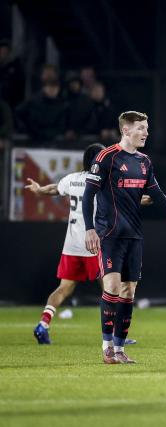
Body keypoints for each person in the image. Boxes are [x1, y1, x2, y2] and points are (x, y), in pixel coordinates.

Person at [83, 111, 166, 364]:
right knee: (112, 287)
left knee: (129, 292)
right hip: (110, 234)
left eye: (147, 128)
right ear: (126, 130)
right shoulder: (106, 157)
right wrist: (89, 229)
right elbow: (88, 195)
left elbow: (156, 192)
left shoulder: (144, 161)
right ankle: (107, 346)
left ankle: (119, 349)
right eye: (141, 128)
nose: (146, 133)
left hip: (134, 236)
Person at [29, 143, 105, 343]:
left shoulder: (72, 179)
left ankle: (43, 324)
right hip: (92, 242)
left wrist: (39, 190)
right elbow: (123, 197)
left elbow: (55, 189)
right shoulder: (101, 181)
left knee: (63, 288)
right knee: (111, 288)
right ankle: (115, 336)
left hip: (72, 244)